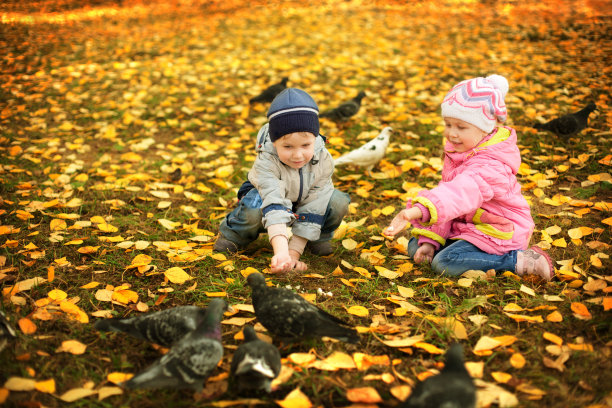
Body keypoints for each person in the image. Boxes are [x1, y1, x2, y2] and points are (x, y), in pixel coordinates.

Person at [383, 75, 554, 280]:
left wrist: (418, 211)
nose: (451, 133)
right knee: (417, 244)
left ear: (486, 128)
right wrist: (430, 242)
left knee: (446, 262)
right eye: (448, 124)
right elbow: (449, 198)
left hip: (497, 229)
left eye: (461, 127)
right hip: (468, 224)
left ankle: (522, 260)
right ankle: (444, 247)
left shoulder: (491, 163)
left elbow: (458, 194)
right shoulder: (461, 151)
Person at [214, 88, 350, 273]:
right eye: (287, 146)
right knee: (254, 208)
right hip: (268, 200)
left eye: (305, 145)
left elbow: (316, 204)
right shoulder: (266, 161)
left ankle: (317, 236)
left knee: (337, 201)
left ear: (315, 138)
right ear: (274, 141)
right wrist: (281, 253)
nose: (298, 154)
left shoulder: (323, 159)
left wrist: (293, 255)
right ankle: (234, 234)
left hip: (304, 203)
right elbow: (274, 203)